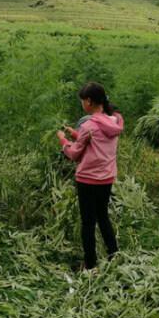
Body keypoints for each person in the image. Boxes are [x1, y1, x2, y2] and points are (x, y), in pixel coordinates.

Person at [57, 82, 123, 270]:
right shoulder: (114, 122)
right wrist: (76, 133)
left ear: (88, 101)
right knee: (103, 217)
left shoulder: (89, 125)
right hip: (106, 178)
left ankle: (90, 264)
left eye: (82, 101)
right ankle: (113, 255)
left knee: (88, 223)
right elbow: (96, 142)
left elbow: (74, 154)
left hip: (87, 180)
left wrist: (63, 140)